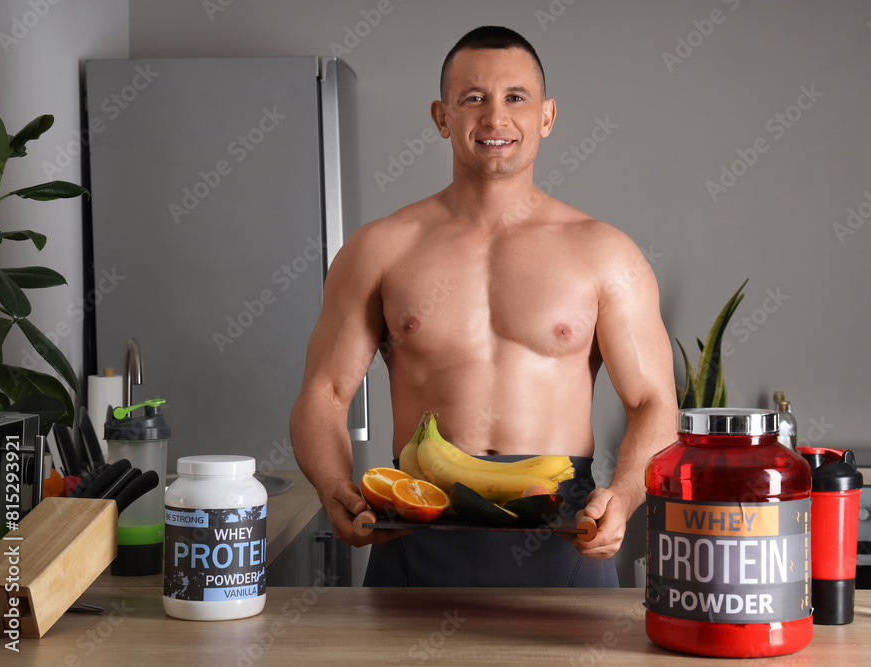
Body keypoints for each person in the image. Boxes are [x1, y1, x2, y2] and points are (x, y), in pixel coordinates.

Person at [290, 26, 677, 586]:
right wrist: (333, 486)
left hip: (566, 539)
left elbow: (653, 402)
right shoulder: (380, 248)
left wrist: (621, 497)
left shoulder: (605, 253)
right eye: (474, 99)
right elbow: (322, 395)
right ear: (442, 116)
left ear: (546, 116)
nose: (496, 119)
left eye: (515, 98)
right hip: (413, 533)